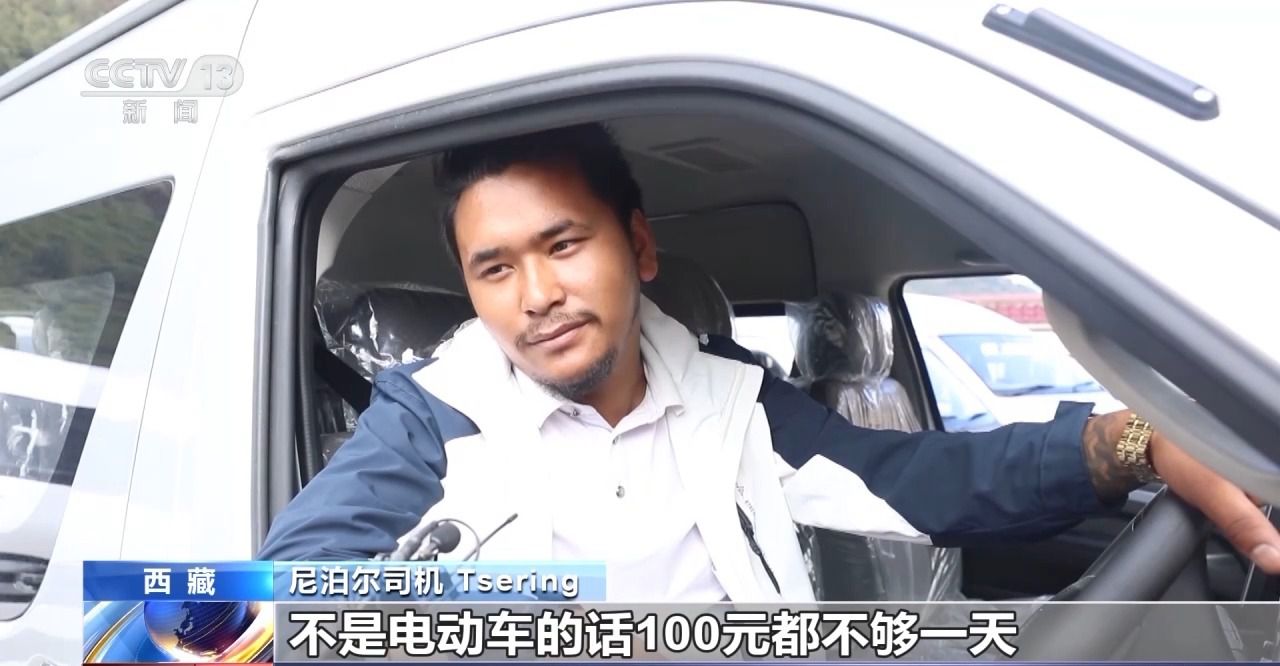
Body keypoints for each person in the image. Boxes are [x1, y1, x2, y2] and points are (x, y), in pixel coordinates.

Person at [259, 123, 1280, 601]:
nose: (534, 296)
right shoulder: (433, 420)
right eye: (495, 269)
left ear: (638, 248)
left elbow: (922, 482)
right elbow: (258, 610)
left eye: (563, 245)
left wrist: (1137, 442)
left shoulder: (730, 398)